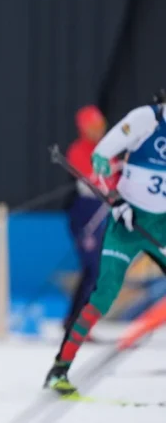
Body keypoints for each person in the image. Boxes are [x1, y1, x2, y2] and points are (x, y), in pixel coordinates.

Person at [44, 96, 166, 395]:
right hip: (127, 223)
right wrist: (116, 199)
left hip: (161, 225)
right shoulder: (147, 119)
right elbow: (100, 158)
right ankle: (60, 368)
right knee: (104, 293)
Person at [63, 105, 119, 334]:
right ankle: (75, 323)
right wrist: (112, 170)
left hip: (102, 211)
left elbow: (114, 183)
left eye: (101, 125)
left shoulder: (107, 150)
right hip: (85, 212)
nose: (99, 130)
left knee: (95, 271)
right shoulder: (78, 150)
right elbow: (91, 180)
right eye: (94, 126)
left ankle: (76, 322)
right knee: (93, 268)